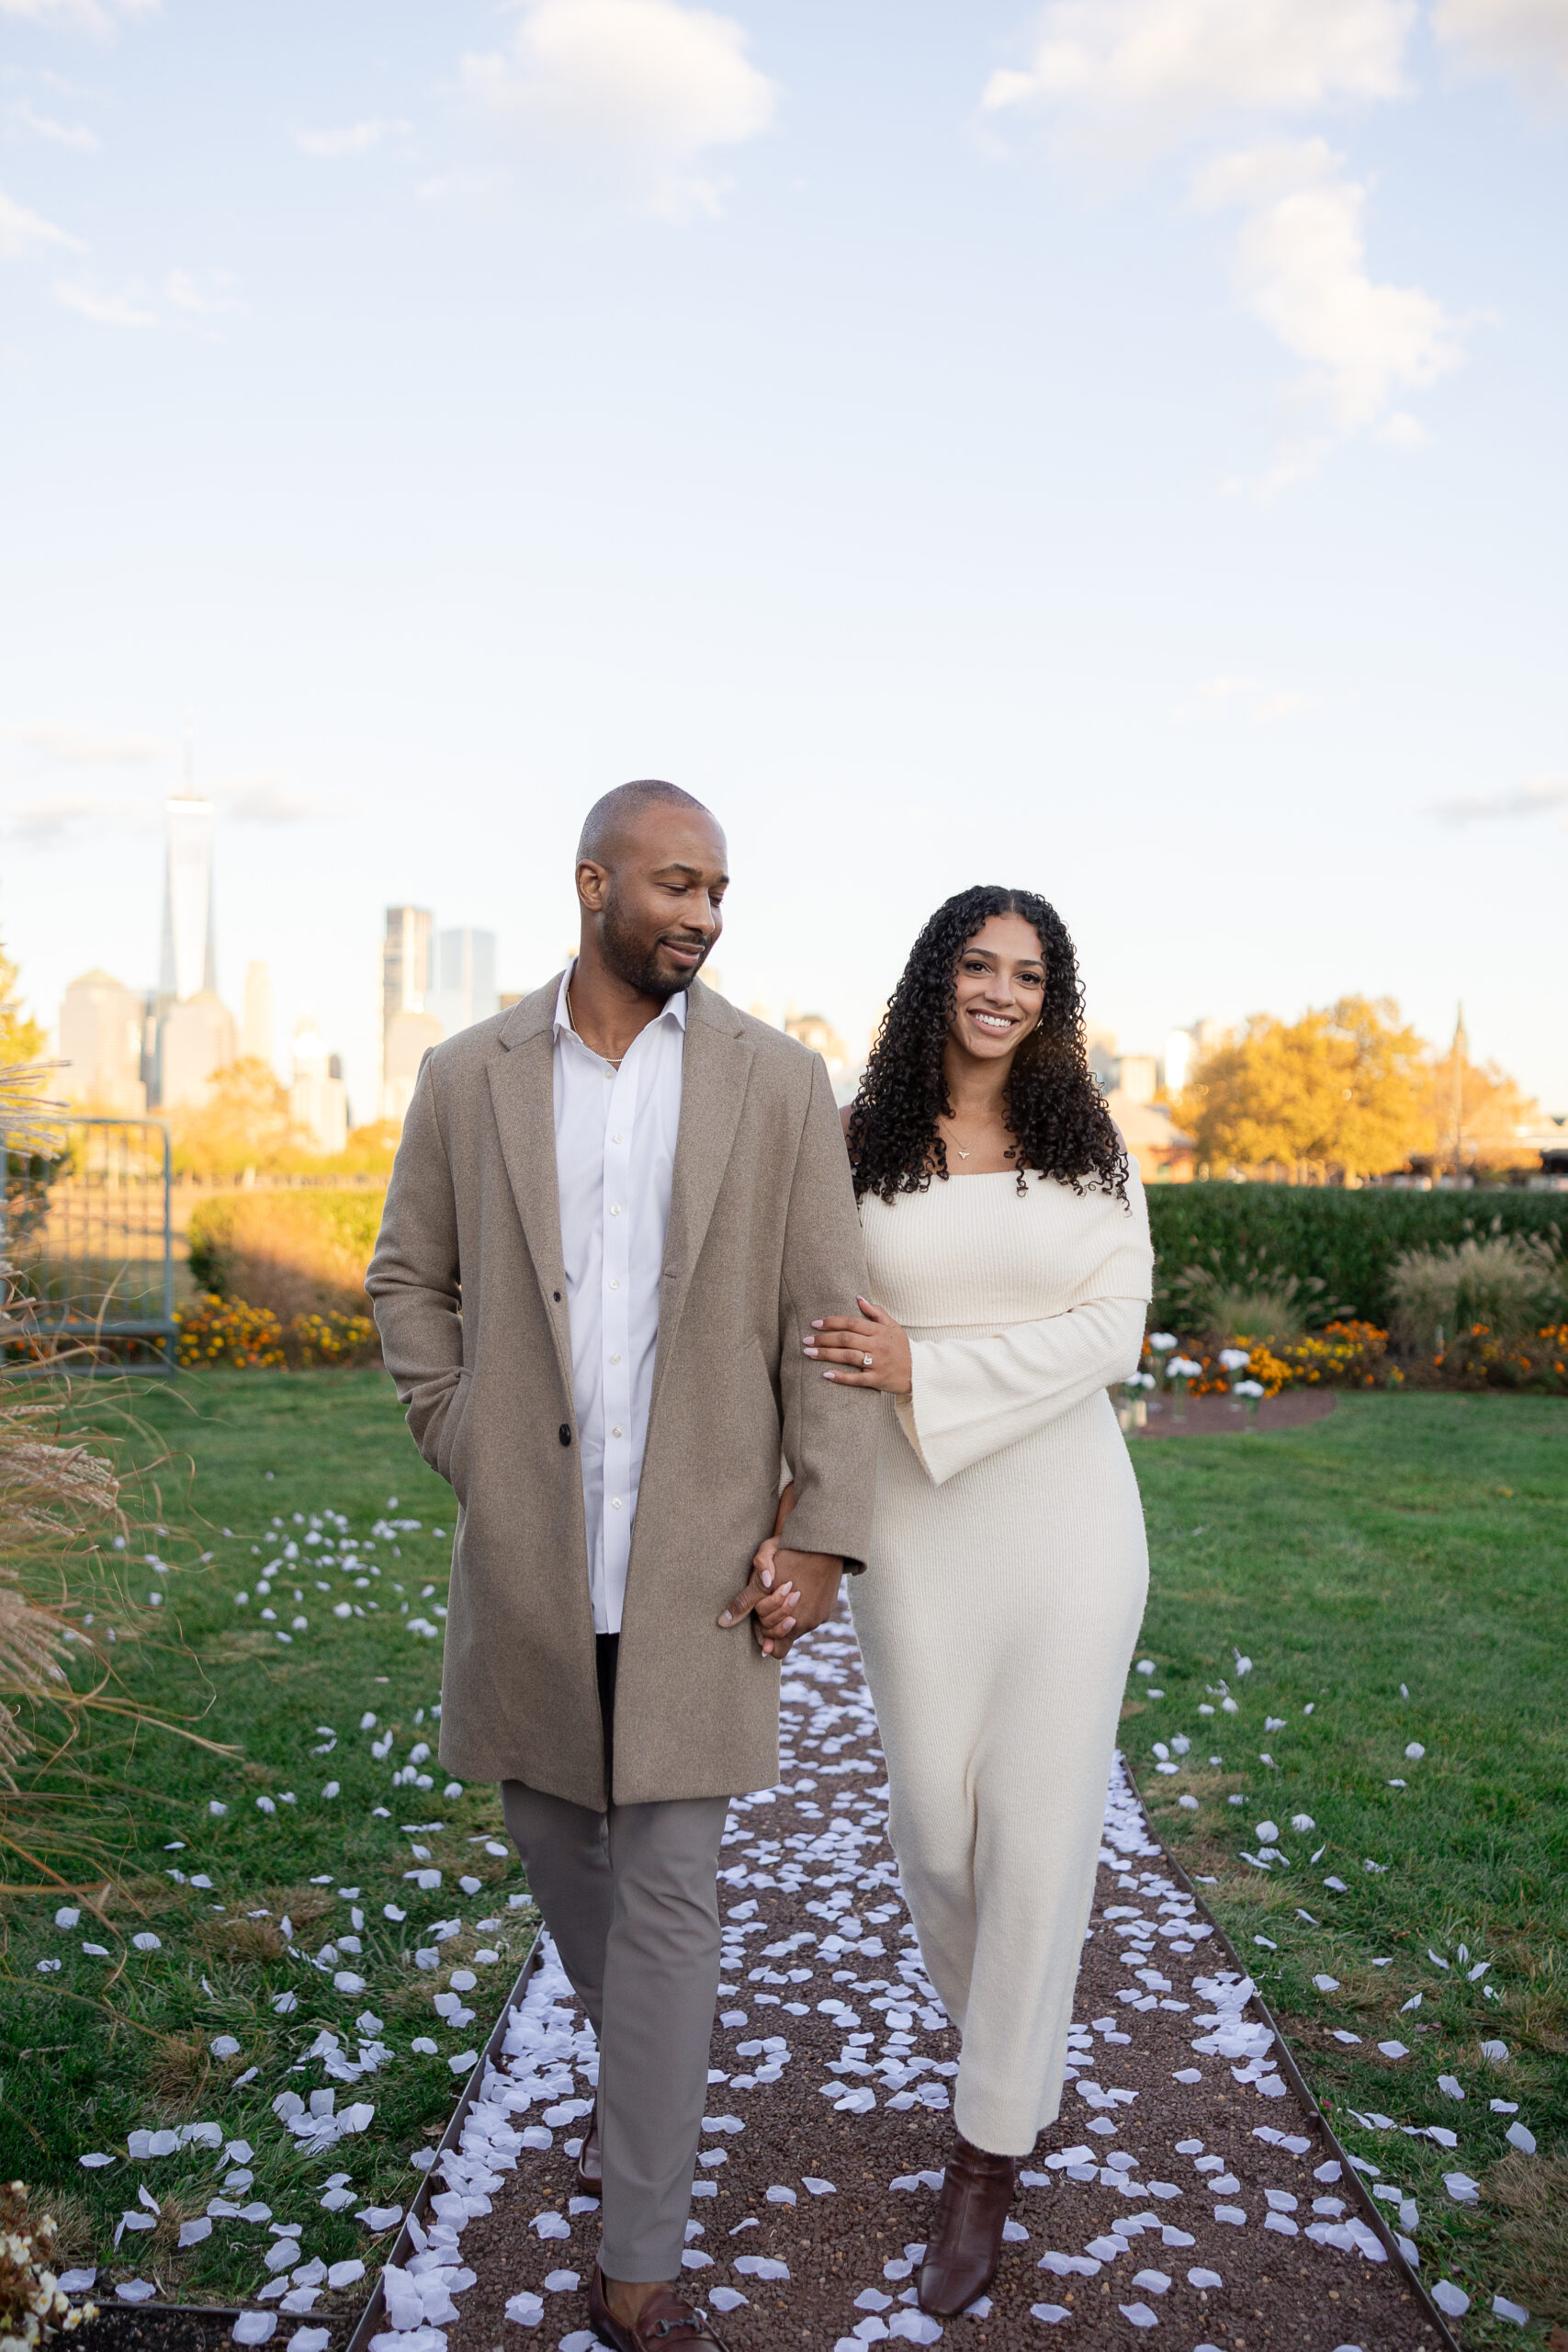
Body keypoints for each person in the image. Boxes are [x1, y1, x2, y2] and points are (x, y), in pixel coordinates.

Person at [367, 781, 878, 2352]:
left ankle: (638, 2254)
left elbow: (830, 1318)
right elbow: (410, 1278)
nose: (704, 915)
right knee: (558, 1849)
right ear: (592, 884)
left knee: (670, 1896)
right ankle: (651, 2073)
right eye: (676, 884)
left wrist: (823, 1532)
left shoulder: (780, 1085)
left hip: (703, 1559)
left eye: (720, 890)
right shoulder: (468, 1076)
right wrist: (464, 1433)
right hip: (530, 1557)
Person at [761, 884, 1152, 2318]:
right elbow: (813, 1322)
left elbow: (1113, 1325)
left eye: (1029, 974)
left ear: (1053, 1001)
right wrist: (795, 1500)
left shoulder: (1091, 1146)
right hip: (914, 1522)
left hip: (1068, 1521)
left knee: (1040, 1838)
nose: (1001, 991)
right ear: (938, 976)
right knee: (936, 1829)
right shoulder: (857, 1143)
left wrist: (928, 1362)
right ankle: (1014, 2042)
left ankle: (989, 2149)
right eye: (979, 965)